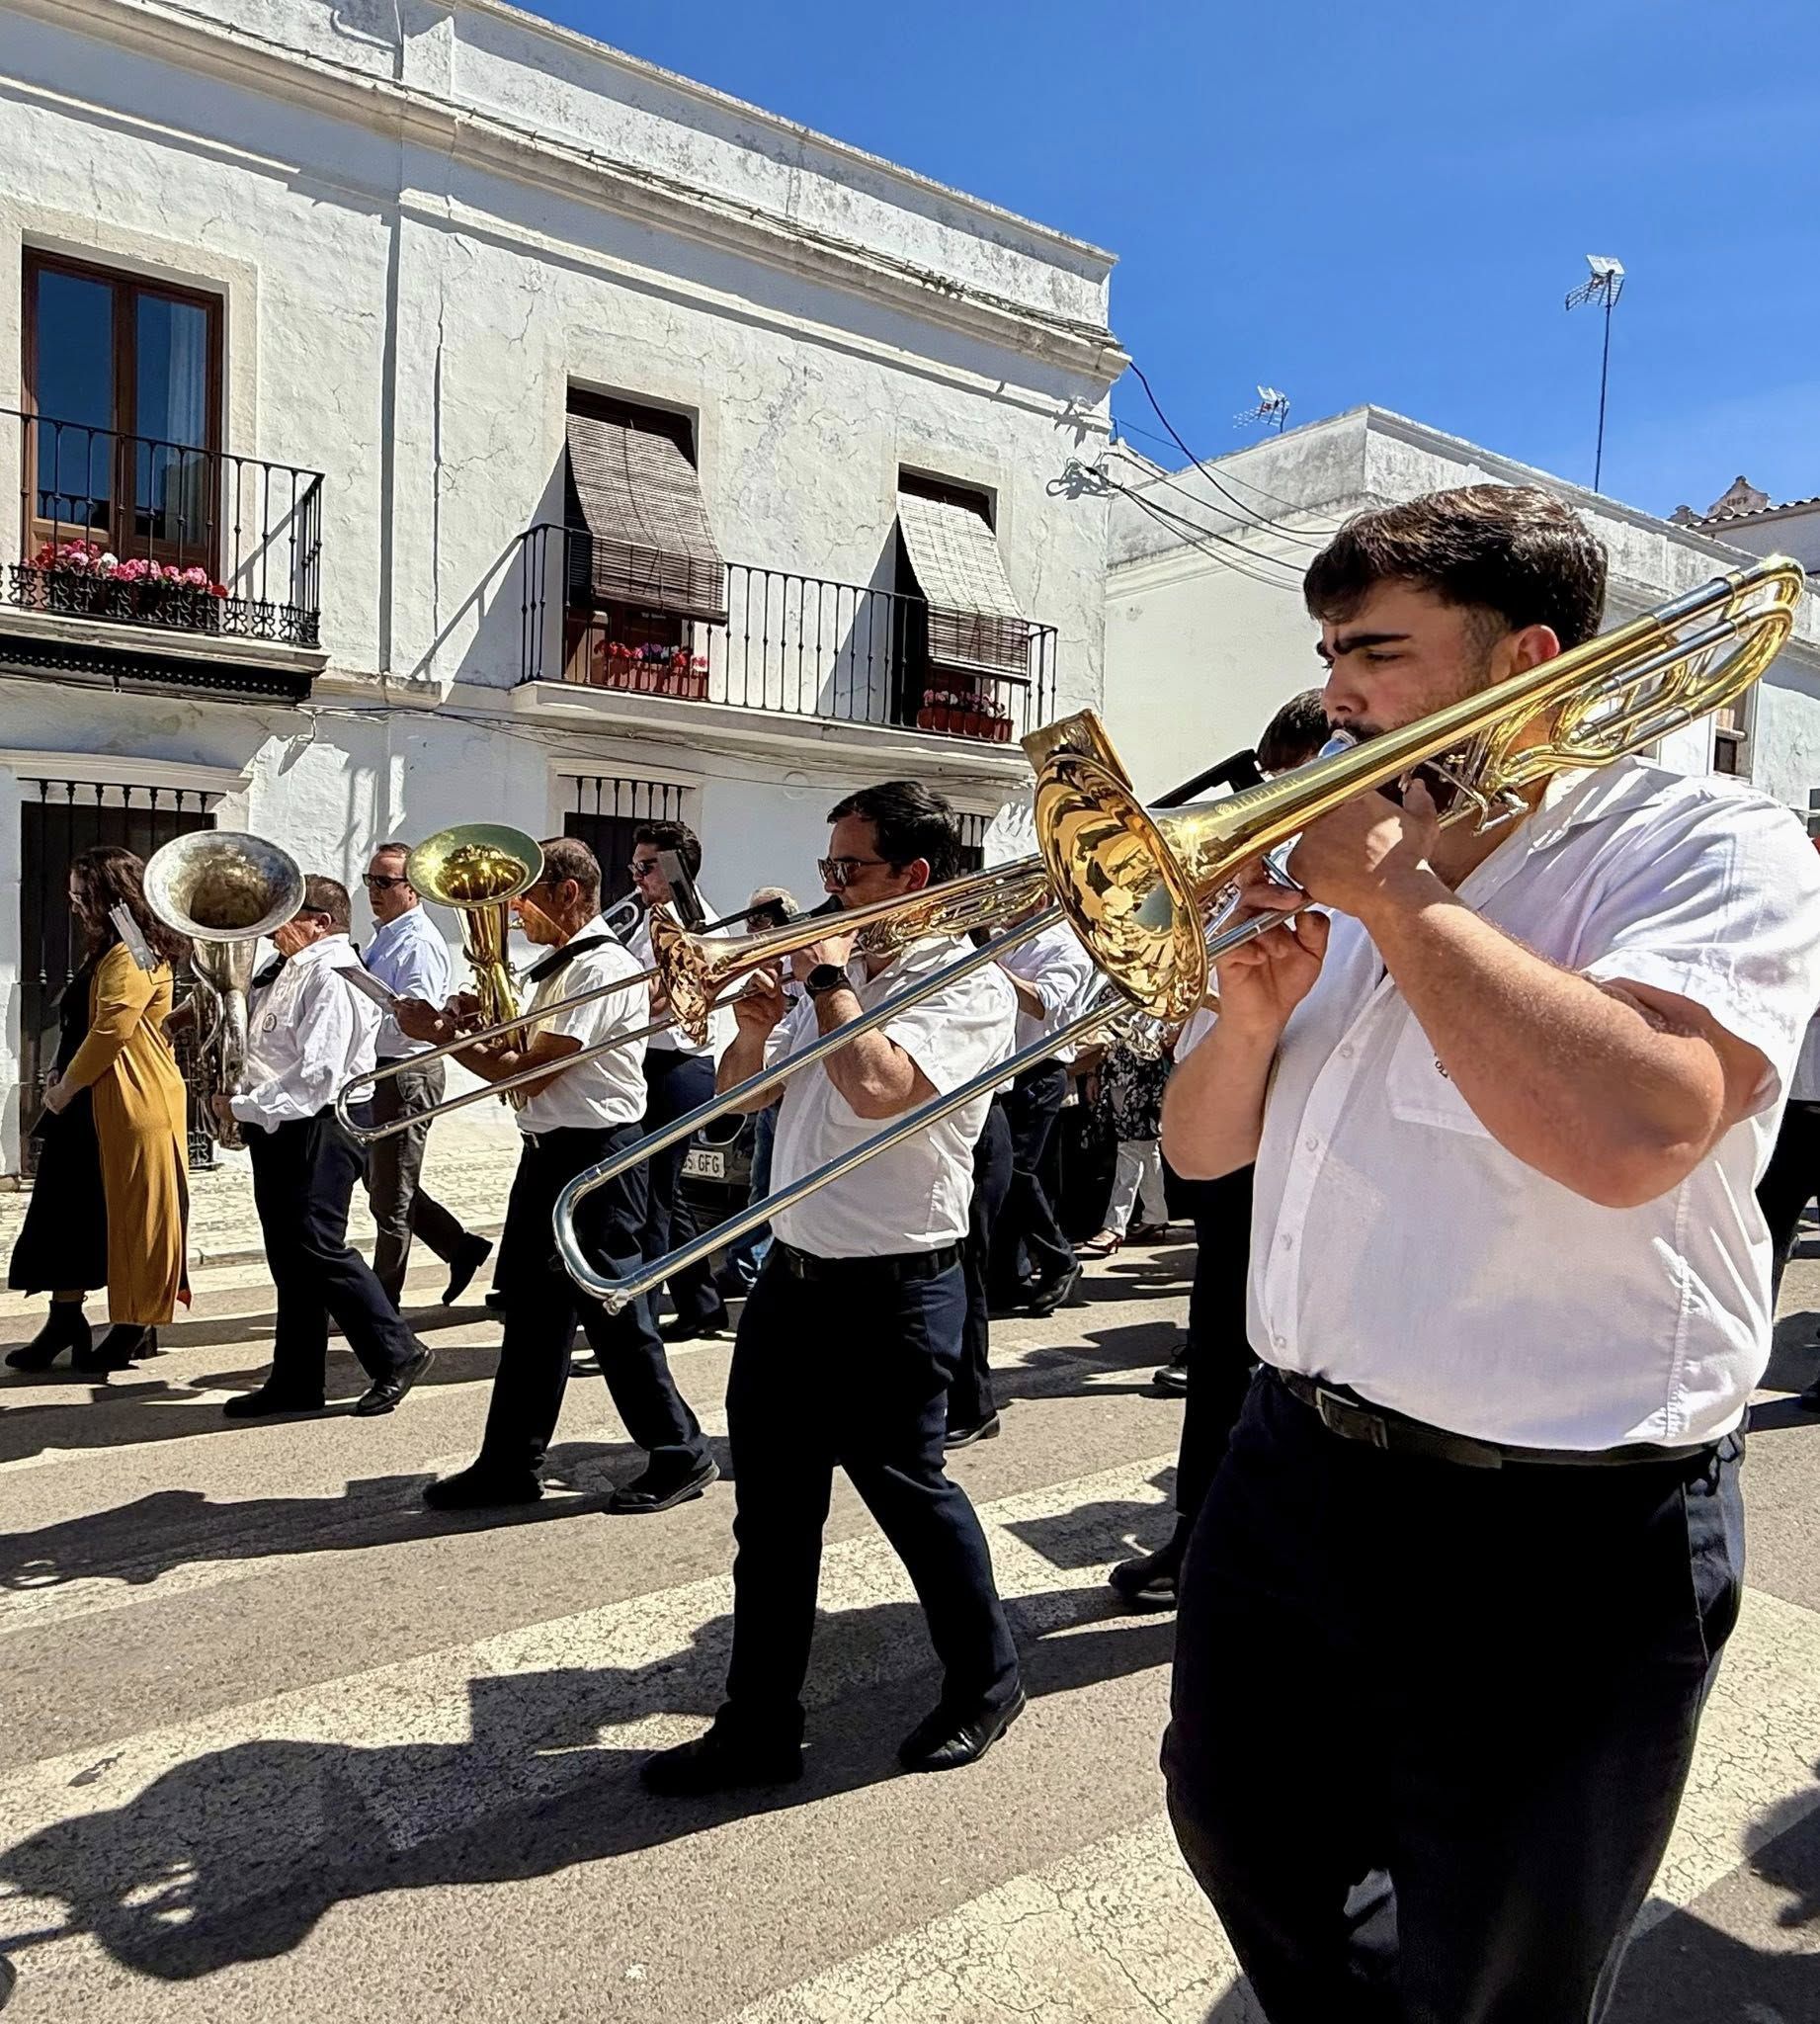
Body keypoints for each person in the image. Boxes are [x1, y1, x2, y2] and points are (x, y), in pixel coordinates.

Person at [1160, 484, 1820, 2023]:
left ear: (1524, 658)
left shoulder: (1702, 843)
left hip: (1558, 1524)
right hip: (1292, 1462)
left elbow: (1638, 1131)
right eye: (1328, 653)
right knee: (1238, 1827)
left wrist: (1398, 897)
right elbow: (1199, 1156)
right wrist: (1246, 1020)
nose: (1335, 694)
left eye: (1375, 650)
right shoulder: (1343, 864)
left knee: (1498, 1967)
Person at [642, 780, 1022, 1795]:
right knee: (770, 1517)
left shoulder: (967, 982)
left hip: (896, 1289)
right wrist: (753, 1027)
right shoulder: (837, 973)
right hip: (793, 1281)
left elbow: (880, 1086)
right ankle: (758, 1724)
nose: (831, 886)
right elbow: (740, 1101)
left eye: (849, 869)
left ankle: (988, 1680)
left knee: (911, 1497)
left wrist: (821, 977)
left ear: (913, 875)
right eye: (828, 867)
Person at [406, 836, 715, 1513]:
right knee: (532, 1314)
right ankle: (509, 1464)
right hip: (549, 1152)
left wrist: (443, 1039)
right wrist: (475, 1024)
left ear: (568, 893)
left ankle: (680, 1451)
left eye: (524, 896)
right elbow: (517, 1056)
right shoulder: (555, 967)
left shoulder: (599, 967)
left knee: (614, 1314)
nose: (513, 911)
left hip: (596, 1157)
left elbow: (528, 1076)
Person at [1111, 691, 1332, 1609]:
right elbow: (1180, 989)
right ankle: (1199, 1533)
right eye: (1270, 783)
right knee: (1219, 1355)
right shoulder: (1262, 881)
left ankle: (1228, 1543)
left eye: (1289, 782)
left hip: (1291, 1146)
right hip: (1223, 1140)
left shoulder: (1343, 893)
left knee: (1261, 1363)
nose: (1270, 805)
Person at [219, 876, 435, 1420]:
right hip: (283, 1123)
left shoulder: (335, 975)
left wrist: (242, 1107)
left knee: (317, 1244)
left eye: (283, 916)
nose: (270, 929)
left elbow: (317, 1075)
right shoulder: (290, 969)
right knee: (290, 1256)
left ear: (320, 922)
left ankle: (397, 1351)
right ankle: (296, 1379)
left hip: (321, 1122)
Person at [5, 846, 190, 1373]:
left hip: (125, 1098)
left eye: (83, 895)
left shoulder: (134, 951)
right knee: (64, 1211)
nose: (75, 904)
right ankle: (64, 1319)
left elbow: (112, 1028)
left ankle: (134, 1324)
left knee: (133, 1217)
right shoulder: (108, 947)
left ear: (114, 895)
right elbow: (84, 1024)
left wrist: (65, 1089)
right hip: (88, 1100)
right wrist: (59, 1072)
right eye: (72, 894)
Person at [357, 842, 493, 1307]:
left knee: (390, 1197)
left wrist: (365, 1015)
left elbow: (417, 1019)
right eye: (370, 880)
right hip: (385, 1069)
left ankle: (381, 1307)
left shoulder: (417, 943)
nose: (374, 890)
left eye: (385, 882)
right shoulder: (386, 934)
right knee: (379, 1180)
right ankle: (459, 1246)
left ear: (412, 889)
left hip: (407, 1072)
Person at [625, 820, 732, 1341]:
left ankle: (639, 1328)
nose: (636, 877)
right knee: (666, 1195)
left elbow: (660, 1003)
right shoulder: (648, 919)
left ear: (674, 868)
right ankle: (701, 1303)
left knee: (649, 1200)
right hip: (652, 1064)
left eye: (646, 867)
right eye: (634, 866)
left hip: (677, 1068)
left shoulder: (693, 926)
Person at [988, 911, 1097, 1315]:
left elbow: (1042, 1004)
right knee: (996, 1175)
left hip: (1039, 1070)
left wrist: (989, 967)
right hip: (1003, 1069)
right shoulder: (1006, 937)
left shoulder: (1065, 945)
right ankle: (1008, 1276)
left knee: (1016, 1173)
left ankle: (1060, 1259)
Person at [1077, 1038, 1172, 1255]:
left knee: (1131, 1148)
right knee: (1144, 1148)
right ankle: (1155, 1214)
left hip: (1138, 1070)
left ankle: (1114, 1225)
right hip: (1123, 1068)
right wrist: (1093, 1072)